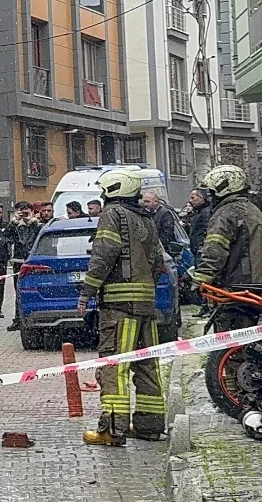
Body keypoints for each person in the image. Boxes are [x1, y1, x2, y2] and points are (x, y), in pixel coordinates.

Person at [78, 170, 167, 446]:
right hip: (145, 306)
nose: (102, 197)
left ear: (114, 191)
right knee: (147, 366)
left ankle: (112, 430)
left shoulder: (112, 214)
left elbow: (103, 255)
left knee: (113, 365)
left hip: (118, 307)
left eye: (104, 192)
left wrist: (87, 293)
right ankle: (149, 426)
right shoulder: (146, 218)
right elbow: (158, 263)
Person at [189, 166, 262, 341]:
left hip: (236, 288)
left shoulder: (225, 213)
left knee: (231, 344)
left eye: (212, 191)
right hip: (256, 287)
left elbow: (214, 250)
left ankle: (234, 367)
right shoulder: (253, 209)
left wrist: (200, 279)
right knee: (252, 341)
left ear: (223, 187)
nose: (210, 196)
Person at [6, 201, 43, 332]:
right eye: (21, 211)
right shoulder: (16, 225)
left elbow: (35, 238)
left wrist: (32, 222)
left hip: (32, 262)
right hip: (18, 262)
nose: (24, 214)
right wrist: (14, 223)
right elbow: (6, 237)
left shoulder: (36, 225)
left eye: (26, 211)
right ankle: (18, 319)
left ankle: (34, 316)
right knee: (19, 292)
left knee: (34, 290)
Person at [186, 188, 214, 317]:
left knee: (204, 279)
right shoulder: (198, 212)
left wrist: (202, 247)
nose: (191, 200)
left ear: (202, 198)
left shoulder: (206, 212)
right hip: (197, 250)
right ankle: (205, 307)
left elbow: (206, 231)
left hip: (202, 251)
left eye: (193, 197)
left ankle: (207, 307)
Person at [142, 191, 185, 260]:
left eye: (148, 201)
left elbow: (167, 234)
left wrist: (157, 246)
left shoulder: (165, 214)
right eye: (144, 201)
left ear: (156, 201)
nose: (145, 204)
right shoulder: (146, 214)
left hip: (164, 252)